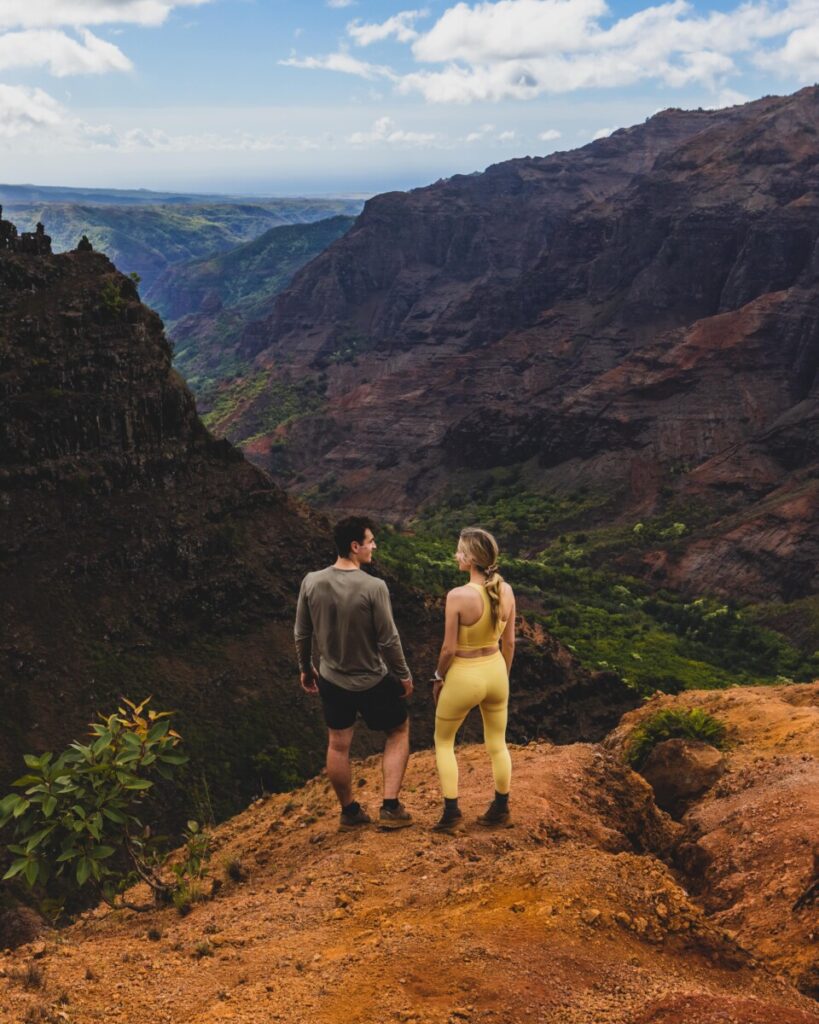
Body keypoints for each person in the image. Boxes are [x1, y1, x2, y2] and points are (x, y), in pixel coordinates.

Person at [295, 516, 414, 831]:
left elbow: (301, 633)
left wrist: (306, 668)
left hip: (332, 679)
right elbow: (389, 639)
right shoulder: (374, 587)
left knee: (337, 745)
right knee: (399, 730)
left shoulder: (311, 581)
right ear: (355, 546)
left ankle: (349, 812)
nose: (374, 546)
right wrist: (403, 674)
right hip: (372, 679)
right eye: (370, 540)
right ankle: (390, 807)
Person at [431, 527, 516, 833]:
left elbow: (448, 648)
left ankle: (452, 814)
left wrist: (438, 677)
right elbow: (510, 644)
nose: (456, 555)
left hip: (465, 675)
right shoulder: (505, 591)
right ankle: (501, 809)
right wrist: (502, 676)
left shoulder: (458, 596)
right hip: (495, 671)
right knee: (497, 744)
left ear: (469, 558)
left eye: (459, 551)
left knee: (444, 742)